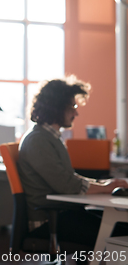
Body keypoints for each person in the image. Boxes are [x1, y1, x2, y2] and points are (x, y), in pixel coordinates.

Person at [17, 76, 128, 248]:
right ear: (57, 108)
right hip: (50, 220)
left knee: (120, 226)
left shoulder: (49, 138)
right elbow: (67, 185)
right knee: (119, 231)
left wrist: (103, 184)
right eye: (72, 107)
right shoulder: (37, 141)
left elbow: (69, 179)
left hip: (64, 212)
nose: (76, 113)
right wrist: (106, 187)